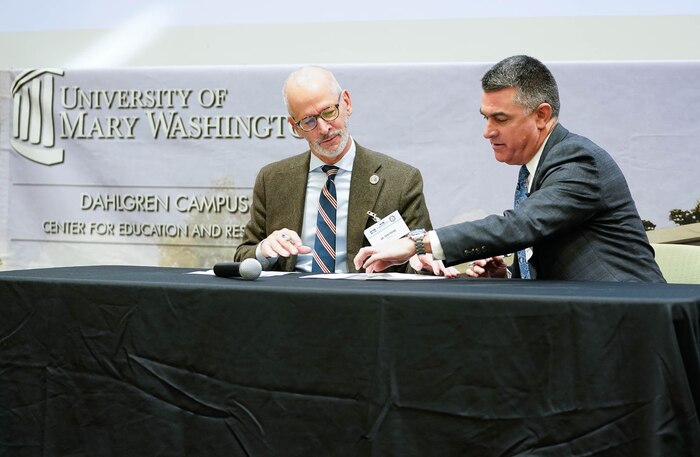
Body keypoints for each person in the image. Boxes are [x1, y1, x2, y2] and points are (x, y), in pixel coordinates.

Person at [354, 55, 665, 282]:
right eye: (485, 118)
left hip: (631, 323)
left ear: (542, 115)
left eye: (500, 119)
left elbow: (521, 226)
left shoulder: (577, 159)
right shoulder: (535, 168)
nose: (487, 131)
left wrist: (416, 243)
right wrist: (507, 275)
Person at [234, 66, 452, 275]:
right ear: (295, 127)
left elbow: (421, 256)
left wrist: (420, 261)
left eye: (329, 112)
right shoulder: (273, 180)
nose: (324, 128)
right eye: (308, 121)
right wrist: (264, 250)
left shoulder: (400, 180)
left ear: (346, 103)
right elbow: (244, 255)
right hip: (292, 301)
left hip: (364, 302)